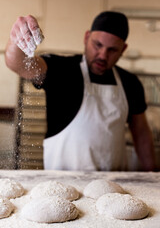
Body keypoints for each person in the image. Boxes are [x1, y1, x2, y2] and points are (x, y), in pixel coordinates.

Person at [5, 11, 156, 171]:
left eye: (112, 50)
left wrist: (153, 175)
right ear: (86, 37)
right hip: (63, 182)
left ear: (123, 49)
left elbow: (141, 133)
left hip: (114, 185)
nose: (103, 55)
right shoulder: (61, 70)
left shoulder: (130, 82)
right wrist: (17, 41)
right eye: (97, 45)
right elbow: (18, 64)